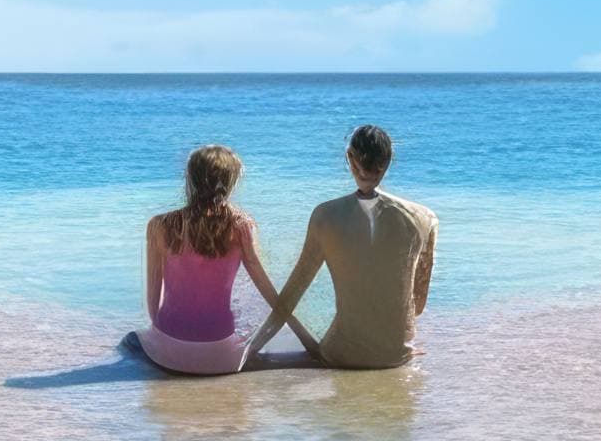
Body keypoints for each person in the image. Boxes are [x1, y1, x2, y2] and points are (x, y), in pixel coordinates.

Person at [258, 123, 436, 370]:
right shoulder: (424, 218)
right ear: (388, 161)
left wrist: (252, 349)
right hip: (396, 356)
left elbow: (290, 297)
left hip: (342, 354)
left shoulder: (325, 216)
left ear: (349, 159)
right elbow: (418, 304)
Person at [134, 143, 282, 375]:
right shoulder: (242, 226)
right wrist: (290, 321)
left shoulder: (158, 226)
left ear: (189, 179)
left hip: (169, 350)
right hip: (222, 354)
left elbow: (153, 299)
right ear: (232, 182)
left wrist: (161, 336)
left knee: (131, 341)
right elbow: (262, 285)